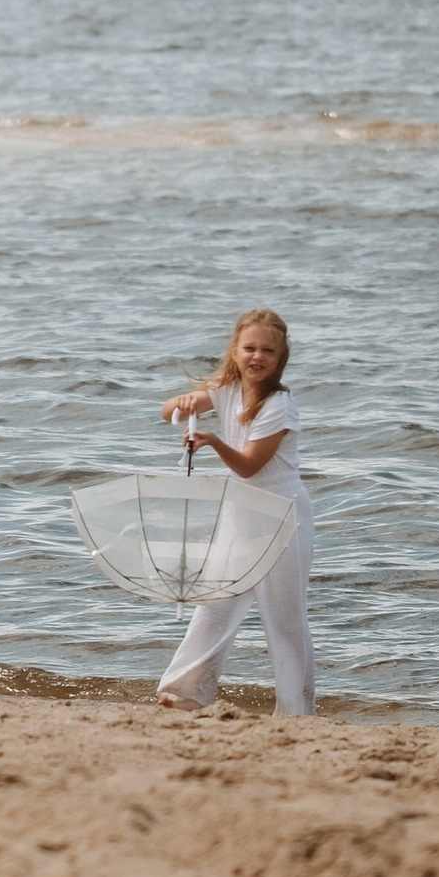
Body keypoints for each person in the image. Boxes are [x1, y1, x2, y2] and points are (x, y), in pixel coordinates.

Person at [156, 306, 315, 716]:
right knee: (216, 602)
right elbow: (167, 411)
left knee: (284, 620)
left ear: (281, 360)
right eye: (249, 348)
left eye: (268, 351)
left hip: (282, 515)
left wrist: (210, 441)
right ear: (235, 350)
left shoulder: (279, 405)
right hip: (240, 512)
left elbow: (248, 465)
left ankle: (296, 711)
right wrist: (185, 403)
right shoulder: (226, 390)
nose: (257, 357)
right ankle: (183, 692)